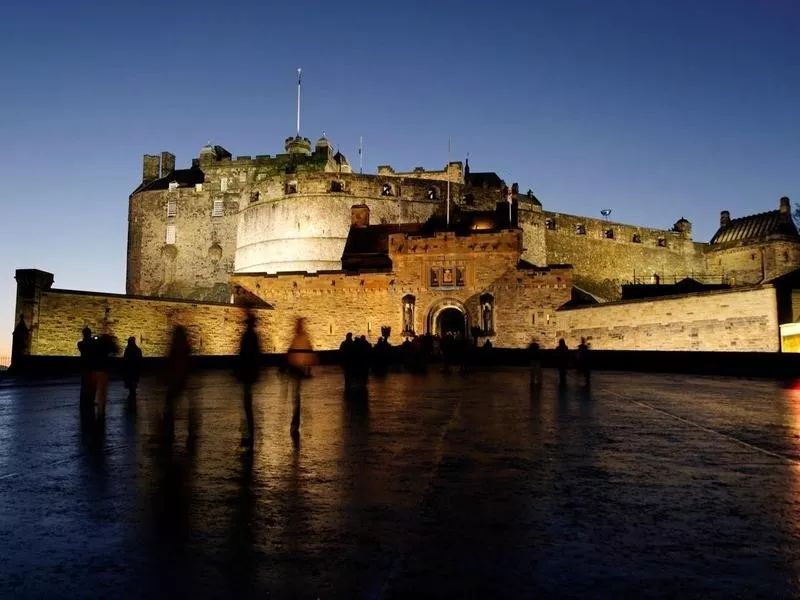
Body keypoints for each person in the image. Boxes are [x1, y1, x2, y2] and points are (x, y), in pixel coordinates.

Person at [286, 318, 317, 437]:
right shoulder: (298, 337)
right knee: (296, 397)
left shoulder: (301, 337)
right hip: (296, 370)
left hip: (298, 371)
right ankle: (295, 423)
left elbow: (307, 352)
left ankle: (295, 423)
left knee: (296, 398)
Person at [236, 313, 262, 448]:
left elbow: (246, 354)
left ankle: (250, 435)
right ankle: (249, 434)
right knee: (247, 404)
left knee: (247, 404)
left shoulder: (249, 336)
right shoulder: (251, 335)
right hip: (248, 372)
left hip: (248, 372)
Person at [163, 325, 191, 441]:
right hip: (180, 378)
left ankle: (169, 431)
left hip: (176, 379)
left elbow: (173, 362)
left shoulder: (177, 346)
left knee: (170, 404)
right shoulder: (184, 346)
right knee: (174, 404)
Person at [77, 327, 97, 423]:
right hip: (87, 367)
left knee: (88, 384)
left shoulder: (86, 343)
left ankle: (86, 401)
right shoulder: (82, 343)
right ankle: (87, 401)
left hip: (88, 367)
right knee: (87, 384)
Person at [122, 336, 143, 406]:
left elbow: (125, 359)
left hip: (130, 369)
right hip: (134, 369)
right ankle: (132, 394)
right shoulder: (137, 350)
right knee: (133, 382)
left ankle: (132, 394)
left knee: (131, 382)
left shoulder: (128, 350)